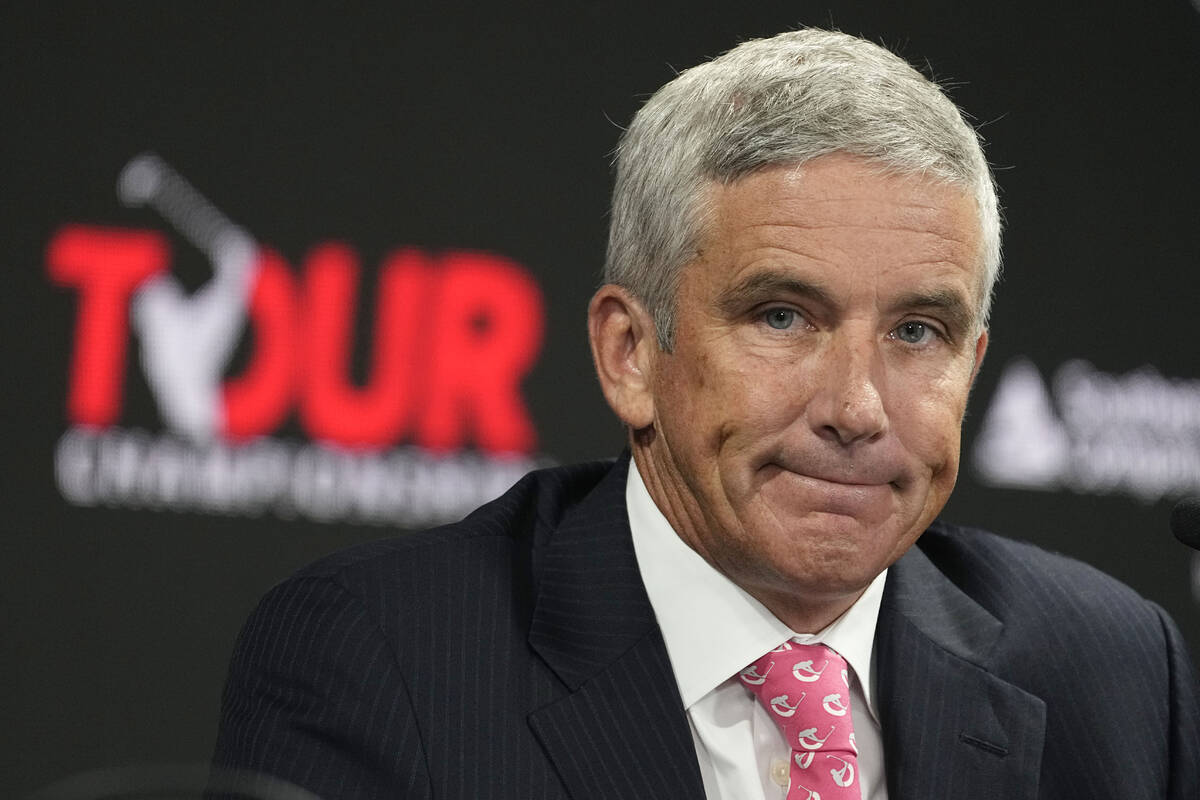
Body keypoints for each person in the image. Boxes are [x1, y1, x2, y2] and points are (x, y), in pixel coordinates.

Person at [212, 29, 1199, 799]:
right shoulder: (385, 658)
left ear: (973, 362)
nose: (856, 407)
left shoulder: (1112, 673)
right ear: (630, 353)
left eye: (917, 332)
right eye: (783, 315)